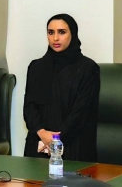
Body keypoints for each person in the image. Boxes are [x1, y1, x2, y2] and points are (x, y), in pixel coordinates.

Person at [23, 14, 99, 161]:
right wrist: (41, 132)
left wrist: (56, 138)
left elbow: (81, 111)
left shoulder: (88, 68)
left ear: (73, 34)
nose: (55, 38)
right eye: (51, 32)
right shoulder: (36, 67)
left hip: (73, 145)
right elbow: (29, 106)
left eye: (62, 32)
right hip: (38, 143)